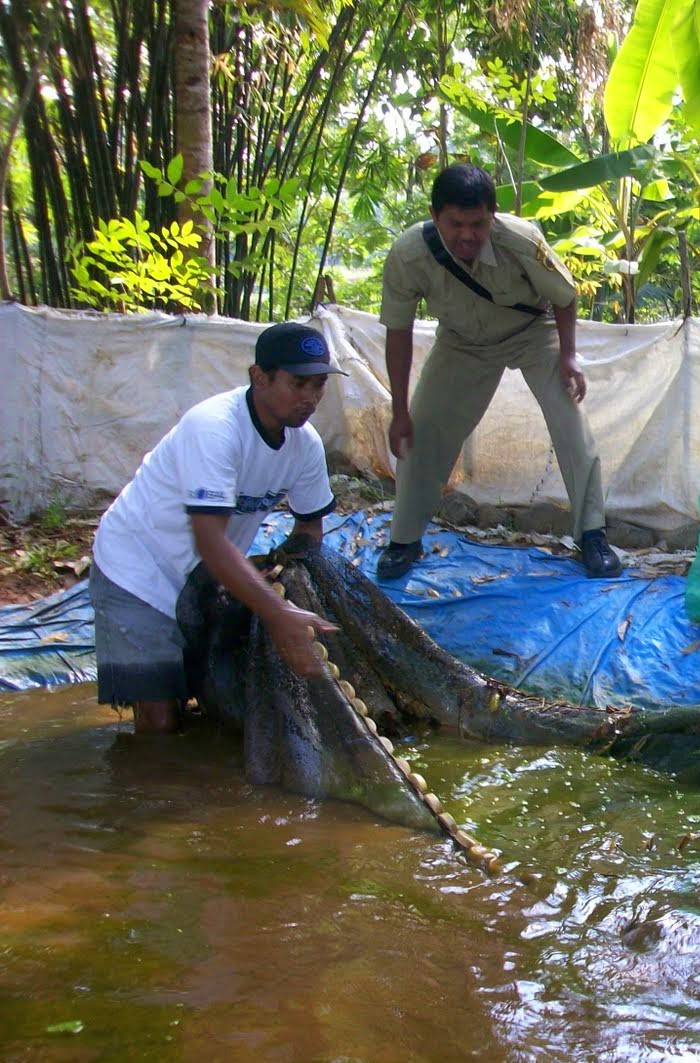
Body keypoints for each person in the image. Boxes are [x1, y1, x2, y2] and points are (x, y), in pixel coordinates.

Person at [91, 322, 344, 734]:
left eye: (319, 386)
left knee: (203, 702)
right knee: (160, 724)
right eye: (298, 384)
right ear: (259, 377)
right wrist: (277, 612)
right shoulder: (215, 427)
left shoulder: (305, 445)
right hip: (136, 570)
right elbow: (209, 541)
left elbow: (309, 530)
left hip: (202, 579)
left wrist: (282, 570)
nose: (310, 399)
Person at [377, 163, 620, 580]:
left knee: (571, 424)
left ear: (493, 216)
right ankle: (404, 540)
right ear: (435, 217)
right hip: (462, 342)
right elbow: (397, 333)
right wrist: (399, 409)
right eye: (455, 224)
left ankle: (593, 535)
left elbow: (563, 296)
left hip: (532, 332)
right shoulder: (408, 255)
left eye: (478, 224)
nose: (467, 235)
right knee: (421, 430)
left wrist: (568, 356)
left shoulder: (521, 240)